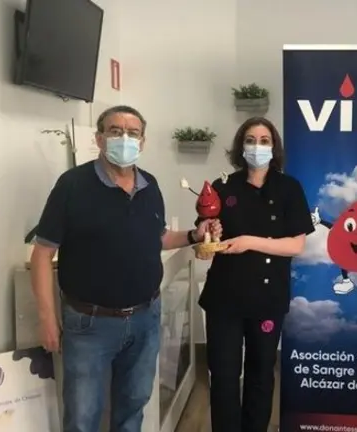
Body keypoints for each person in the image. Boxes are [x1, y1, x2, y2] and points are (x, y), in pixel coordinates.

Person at [30, 105, 220, 432]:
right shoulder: (72, 185)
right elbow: (42, 254)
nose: (125, 139)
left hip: (145, 320)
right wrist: (47, 319)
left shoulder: (150, 186)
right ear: (99, 138)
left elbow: (158, 237)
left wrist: (194, 234)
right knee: (82, 416)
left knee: (133, 408)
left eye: (133, 133)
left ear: (142, 142)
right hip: (90, 324)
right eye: (115, 131)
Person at [198, 117, 314, 432]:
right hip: (224, 298)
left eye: (264, 141)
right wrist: (208, 231)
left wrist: (249, 242)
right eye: (250, 140)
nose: (257, 146)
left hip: (268, 298)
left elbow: (296, 245)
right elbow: (205, 237)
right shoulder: (223, 186)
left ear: (274, 147)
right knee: (223, 374)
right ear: (241, 146)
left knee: (261, 373)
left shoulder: (289, 188)